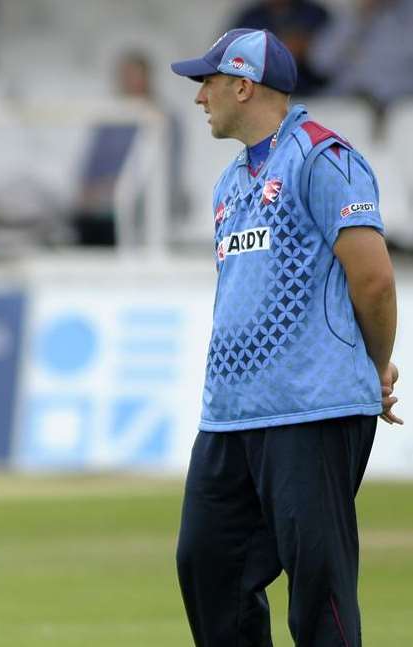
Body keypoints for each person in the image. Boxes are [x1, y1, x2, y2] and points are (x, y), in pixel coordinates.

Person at [170, 28, 401, 646]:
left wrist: (374, 367)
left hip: (310, 407)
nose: (199, 98)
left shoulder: (324, 157)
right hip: (230, 416)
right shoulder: (230, 182)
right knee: (208, 567)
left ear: (243, 85)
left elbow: (374, 280)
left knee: (317, 586)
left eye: (207, 82)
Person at [72, 49, 185, 246]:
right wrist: (93, 192)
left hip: (143, 213)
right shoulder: (110, 118)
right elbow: (89, 169)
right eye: (125, 76)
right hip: (101, 211)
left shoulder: (163, 119)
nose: (129, 82)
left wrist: (119, 190)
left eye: (135, 76)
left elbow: (166, 175)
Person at [229, 0, 331, 96]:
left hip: (314, 94)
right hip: (259, 94)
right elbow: (230, 57)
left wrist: (309, 48)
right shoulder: (250, 18)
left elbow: (332, 64)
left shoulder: (315, 14)